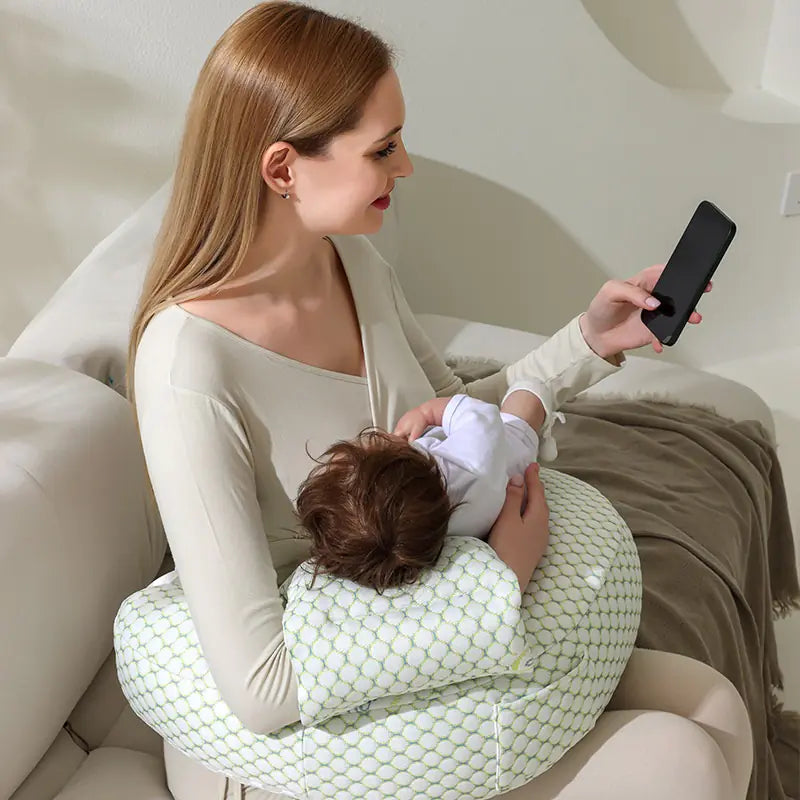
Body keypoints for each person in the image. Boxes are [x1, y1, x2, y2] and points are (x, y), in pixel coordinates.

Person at [127, 3, 750, 799]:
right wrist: (495, 582)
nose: (407, 168)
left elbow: (457, 418)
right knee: (682, 758)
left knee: (715, 707)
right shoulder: (188, 366)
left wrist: (590, 341)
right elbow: (262, 686)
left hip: (423, 634)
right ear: (283, 169)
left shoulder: (352, 265)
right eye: (383, 149)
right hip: (303, 732)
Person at [295, 380, 557, 593]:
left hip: (496, 500)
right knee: (527, 395)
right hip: (513, 450)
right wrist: (426, 412)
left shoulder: (420, 534)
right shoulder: (473, 458)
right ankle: (543, 426)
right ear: (404, 457)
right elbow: (481, 415)